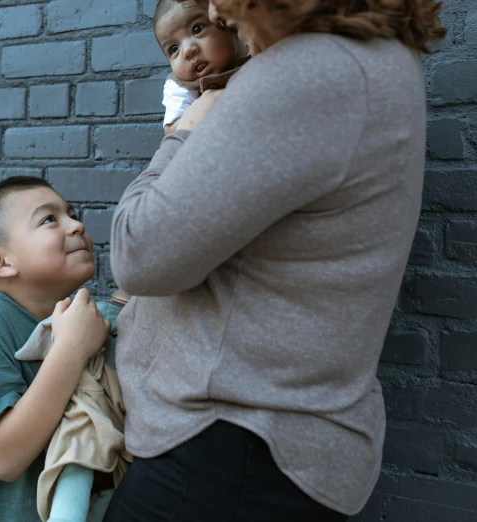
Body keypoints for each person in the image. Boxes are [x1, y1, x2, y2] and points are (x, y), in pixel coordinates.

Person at [105, 0, 446, 520]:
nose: (218, 12)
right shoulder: (373, 59)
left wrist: (183, 131)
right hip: (257, 449)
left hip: (228, 452)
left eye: (219, 7)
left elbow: (139, 253)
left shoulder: (308, 73)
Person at [0, 176, 122, 522]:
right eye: (49, 220)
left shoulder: (94, 319)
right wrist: (71, 350)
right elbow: (3, 459)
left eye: (73, 214)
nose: (76, 225)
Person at [154, 0, 249, 134]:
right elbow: (172, 131)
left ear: (228, 24)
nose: (187, 51)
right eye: (174, 48)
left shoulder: (257, 52)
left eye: (197, 29)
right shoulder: (181, 87)